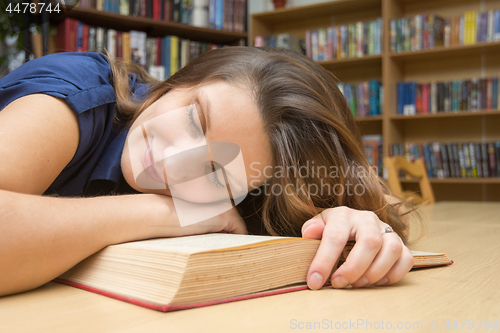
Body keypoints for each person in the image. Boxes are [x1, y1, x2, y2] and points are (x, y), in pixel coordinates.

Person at [0, 46, 422, 297]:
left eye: (217, 174)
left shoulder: (244, 190)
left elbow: (379, 207)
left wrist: (344, 222)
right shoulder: (79, 93)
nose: (170, 163)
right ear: (182, 80)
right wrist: (161, 213)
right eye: (195, 119)